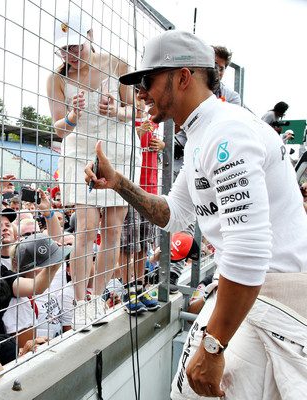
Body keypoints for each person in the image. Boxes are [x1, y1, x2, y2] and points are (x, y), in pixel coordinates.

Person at [85, 30, 307, 399]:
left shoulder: (226, 132)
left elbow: (249, 247)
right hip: (255, 290)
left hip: (273, 297)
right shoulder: (207, 133)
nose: (139, 93)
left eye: (147, 80)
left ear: (183, 77)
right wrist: (119, 183)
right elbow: (173, 214)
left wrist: (213, 345)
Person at [46, 5, 140, 323]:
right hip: (79, 150)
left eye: (75, 45)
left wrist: (116, 110)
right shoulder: (56, 79)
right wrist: (72, 116)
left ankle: (96, 298)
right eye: (64, 48)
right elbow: (58, 126)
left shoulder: (117, 63)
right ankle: (78, 303)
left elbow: (136, 111)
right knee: (86, 226)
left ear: (89, 36)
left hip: (117, 150)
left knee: (113, 228)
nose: (70, 54)